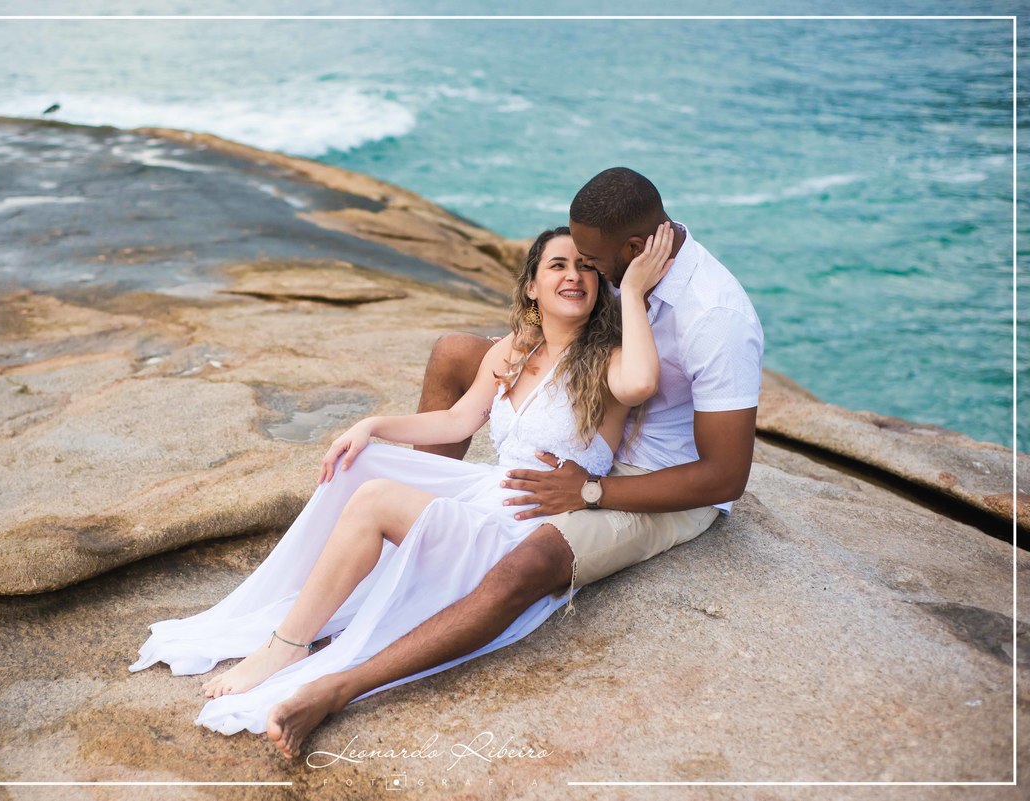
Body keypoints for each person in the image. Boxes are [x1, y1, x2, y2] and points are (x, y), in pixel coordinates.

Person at [260, 167, 764, 761]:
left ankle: (340, 687)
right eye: (570, 261)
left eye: (592, 263)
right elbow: (494, 385)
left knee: (529, 562)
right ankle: (418, 545)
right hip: (590, 417)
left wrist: (592, 492)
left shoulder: (715, 317)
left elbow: (725, 476)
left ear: (633, 252)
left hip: (653, 478)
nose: (584, 271)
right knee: (453, 353)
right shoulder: (615, 270)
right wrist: (376, 425)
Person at [129, 223, 673, 745]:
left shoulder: (607, 360)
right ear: (532, 286)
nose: (573, 275)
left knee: (376, 499)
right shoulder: (515, 350)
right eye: (557, 265)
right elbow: (457, 421)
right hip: (487, 495)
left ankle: (288, 644)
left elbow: (643, 381)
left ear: (599, 284)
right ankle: (316, 599)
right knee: (362, 464)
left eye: (585, 267)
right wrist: (372, 426)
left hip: (523, 529)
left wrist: (631, 290)